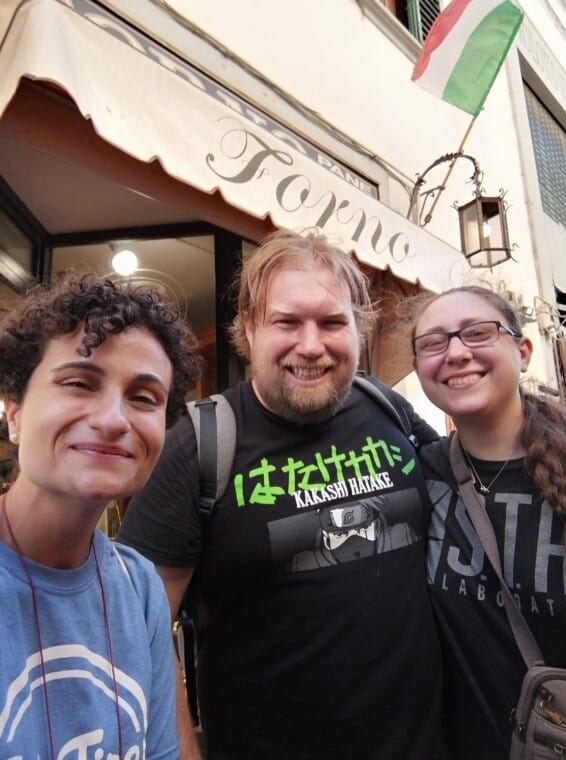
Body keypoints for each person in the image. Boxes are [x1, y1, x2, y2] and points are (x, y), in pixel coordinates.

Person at [118, 229, 444, 760]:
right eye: (287, 322)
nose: (311, 345)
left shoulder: (388, 409)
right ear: (249, 328)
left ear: (357, 329)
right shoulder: (200, 446)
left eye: (332, 322)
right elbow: (138, 631)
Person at [0, 272, 200, 758]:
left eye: (144, 397)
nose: (114, 419)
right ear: (13, 412)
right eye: (78, 383)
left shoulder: (139, 587)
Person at [410, 285, 566, 760]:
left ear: (522, 351)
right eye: (434, 343)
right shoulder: (422, 473)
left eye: (478, 333)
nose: (457, 353)